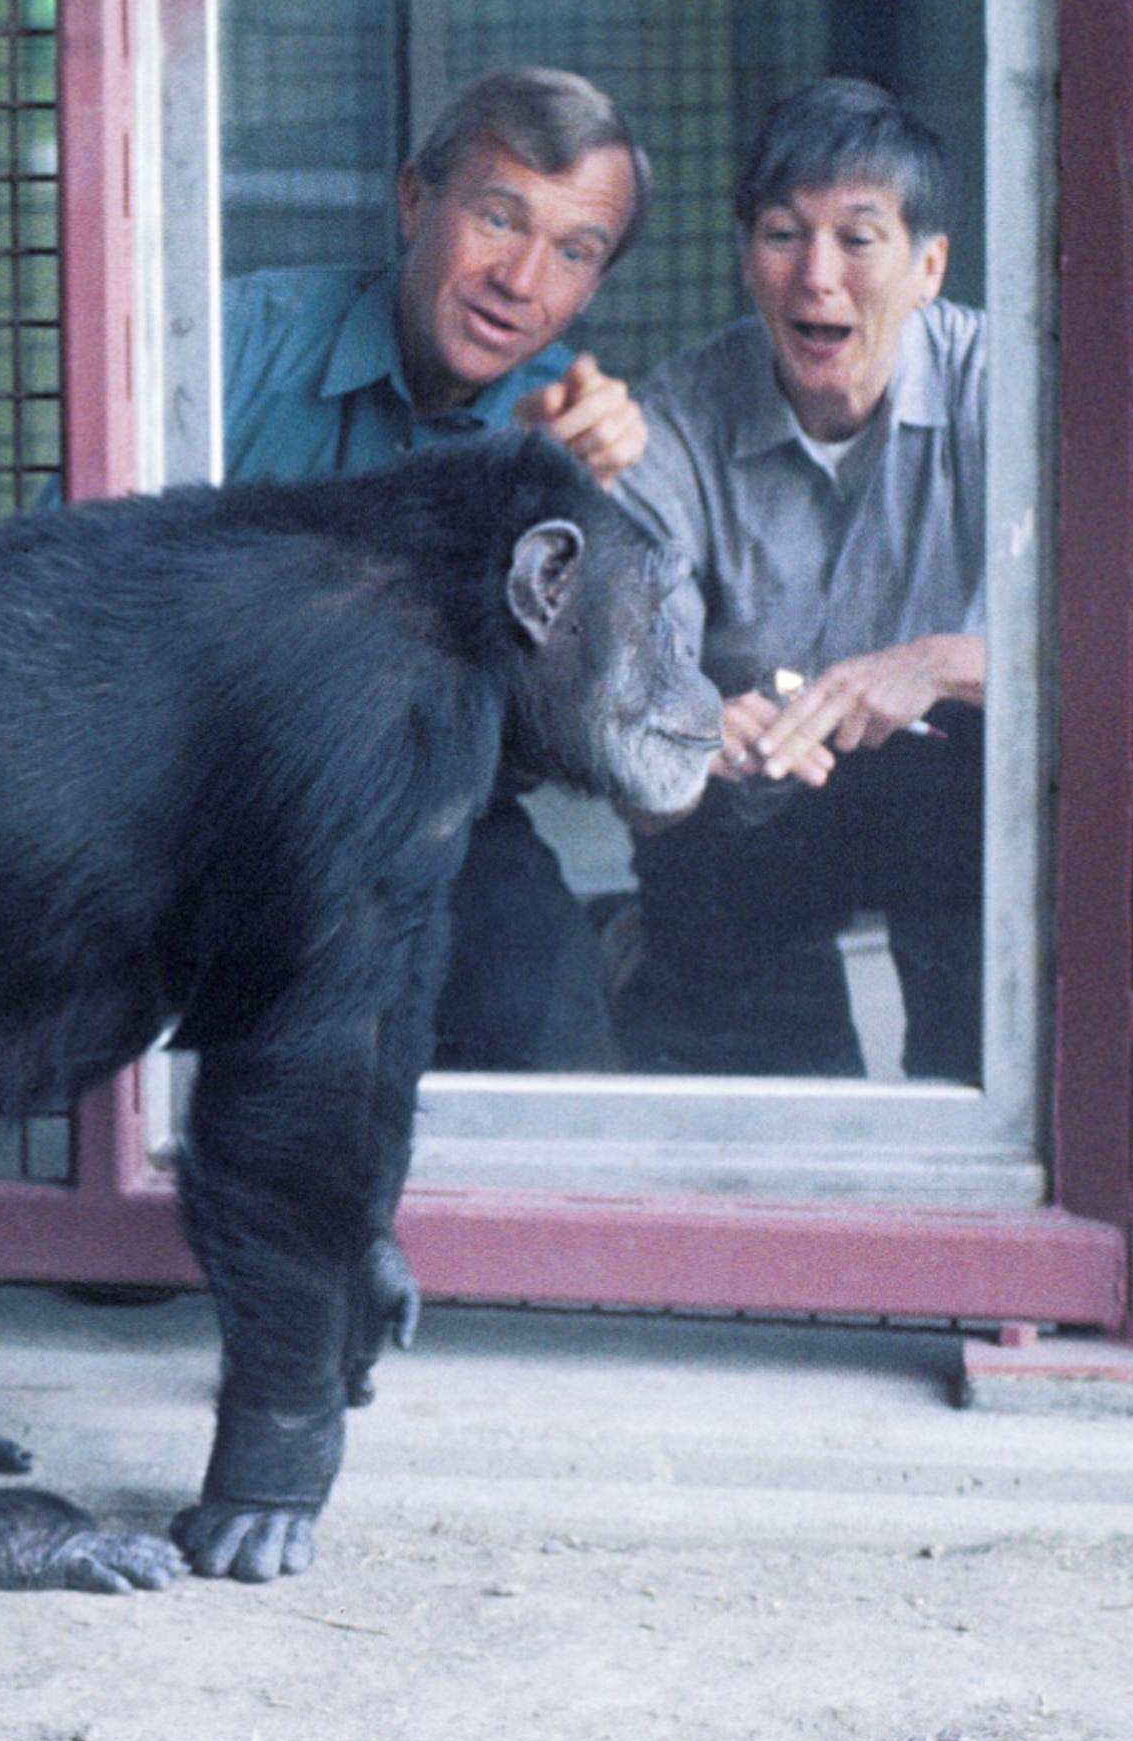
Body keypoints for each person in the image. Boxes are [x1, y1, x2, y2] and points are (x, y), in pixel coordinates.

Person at [221, 67, 653, 1072]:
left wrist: (559, 515)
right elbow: (76, 583)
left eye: (575, 250)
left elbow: (577, 738)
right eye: (500, 217)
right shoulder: (238, 340)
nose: (522, 279)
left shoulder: (577, 433)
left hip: (435, 823)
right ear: (416, 198)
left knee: (550, 1022)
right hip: (210, 802)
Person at [611, 78, 985, 1083]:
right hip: (760, 800)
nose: (816, 277)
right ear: (746, 257)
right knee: (692, 835)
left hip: (956, 784)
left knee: (985, 1047)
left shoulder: (1009, 384)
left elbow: (1131, 647)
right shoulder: (677, 417)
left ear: (928, 266)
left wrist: (940, 663)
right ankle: (658, 969)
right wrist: (689, 724)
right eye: (784, 234)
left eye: (858, 239)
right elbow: (631, 684)